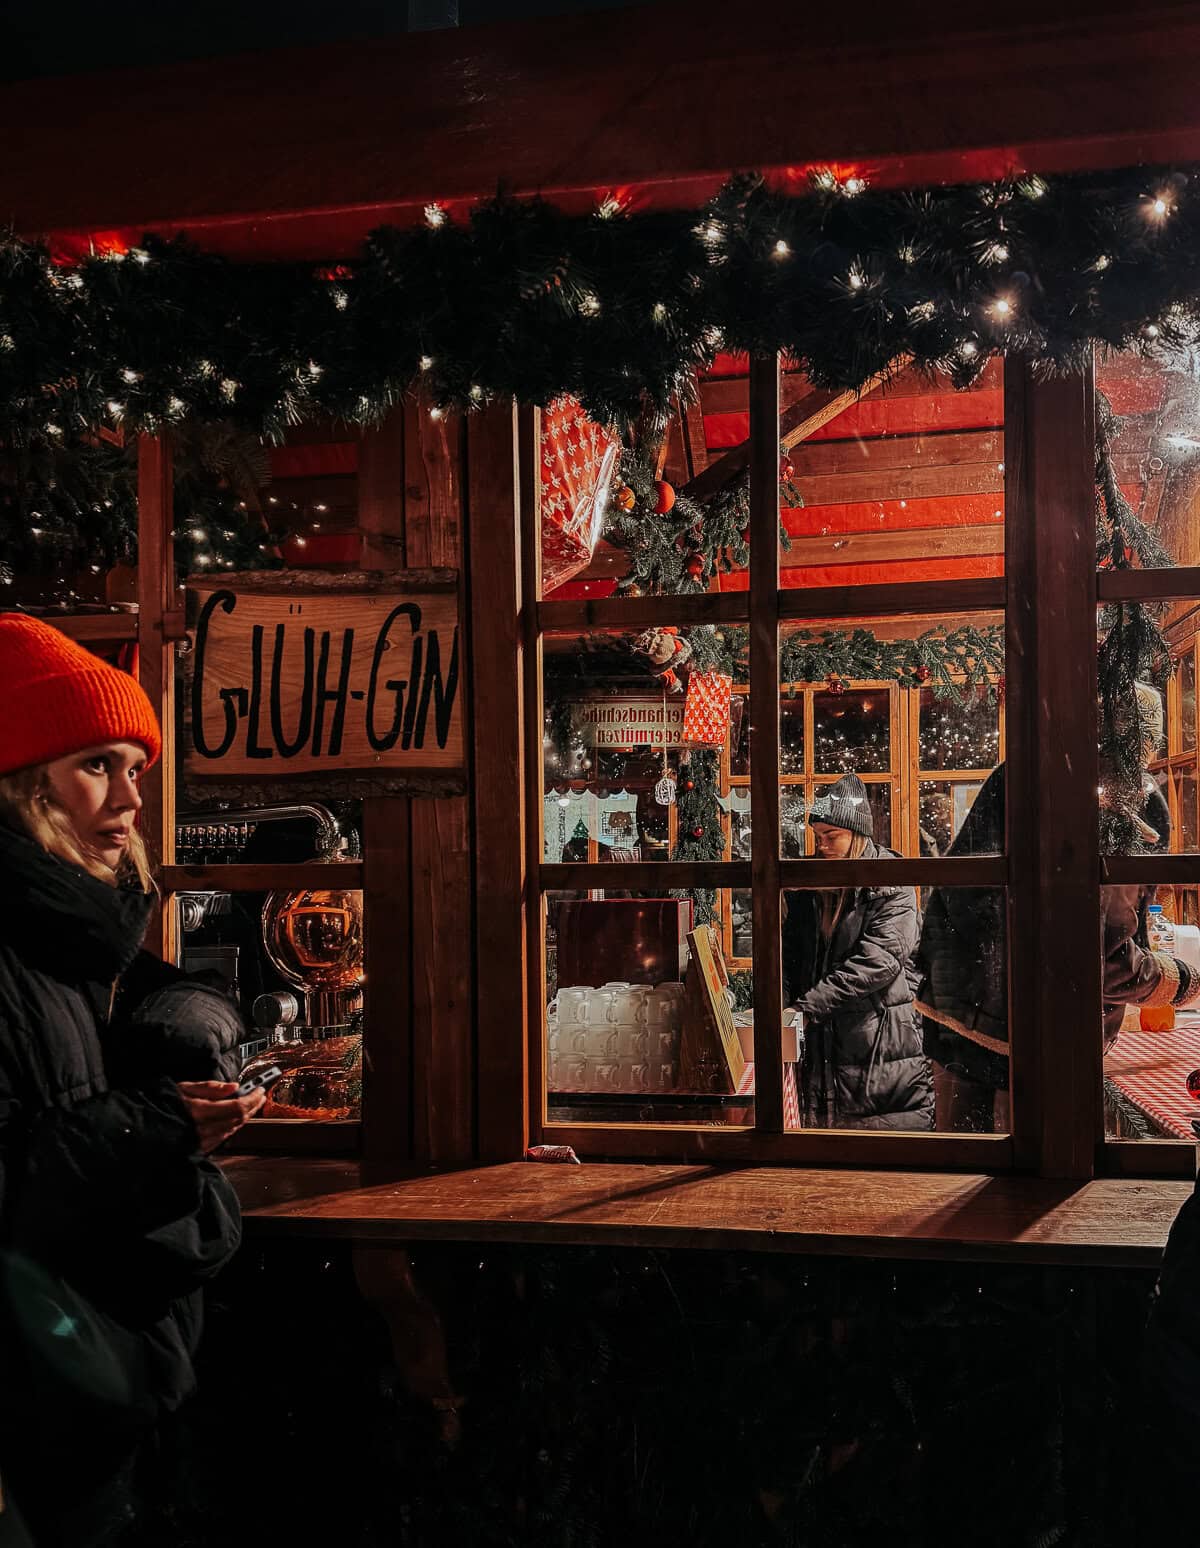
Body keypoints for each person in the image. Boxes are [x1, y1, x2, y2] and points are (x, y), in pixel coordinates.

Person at [0, 615, 265, 1546]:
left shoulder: (71, 931)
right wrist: (157, 1130)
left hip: (84, 1398)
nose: (130, 800)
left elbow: (163, 995)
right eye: (98, 766)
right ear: (23, 786)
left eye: (136, 770)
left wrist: (193, 1021)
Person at [917, 748, 1197, 1132]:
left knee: (964, 1162)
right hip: (1022, 1037)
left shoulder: (1025, 771)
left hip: (960, 1012)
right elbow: (1098, 955)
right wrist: (1177, 981)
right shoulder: (1124, 797)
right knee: (1028, 1175)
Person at [781, 774, 933, 1130]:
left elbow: (876, 963)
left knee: (881, 1147)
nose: (821, 846)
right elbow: (791, 957)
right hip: (827, 1044)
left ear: (857, 835)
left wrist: (804, 1009)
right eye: (817, 837)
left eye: (831, 836)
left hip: (880, 1044)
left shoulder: (891, 886)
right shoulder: (811, 887)